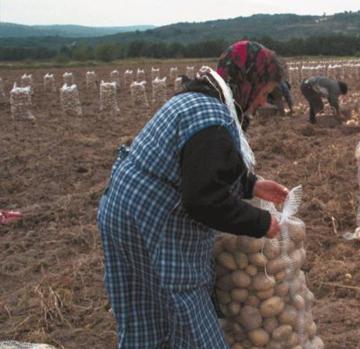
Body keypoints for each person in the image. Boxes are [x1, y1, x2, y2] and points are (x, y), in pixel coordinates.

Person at [97, 40, 288, 348]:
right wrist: (260, 222)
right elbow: (203, 199)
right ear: (247, 82)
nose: (264, 103)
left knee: (145, 310)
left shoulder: (199, 99)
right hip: (153, 219)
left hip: (123, 210)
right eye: (265, 93)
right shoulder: (211, 118)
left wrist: (251, 185)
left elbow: (196, 168)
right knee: (190, 318)